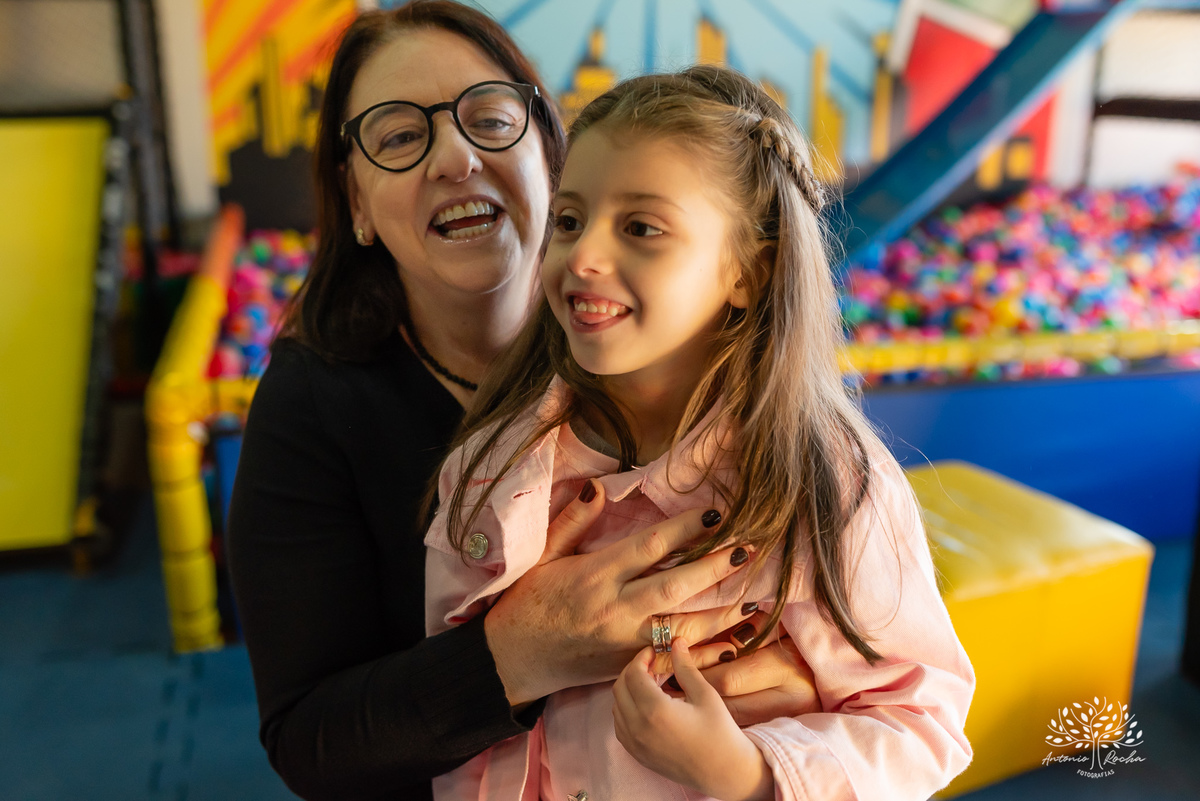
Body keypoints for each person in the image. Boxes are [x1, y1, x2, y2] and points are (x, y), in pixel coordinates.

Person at [227, 4, 818, 800]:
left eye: (492, 119)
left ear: (550, 154)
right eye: (400, 137)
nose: (456, 158)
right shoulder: (317, 405)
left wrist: (777, 751)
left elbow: (889, 694)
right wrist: (520, 651)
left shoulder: (689, 357)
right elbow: (310, 738)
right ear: (357, 201)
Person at [425, 65, 976, 801]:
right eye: (568, 219)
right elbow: (456, 718)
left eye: (642, 227)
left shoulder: (825, 483)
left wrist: (746, 773)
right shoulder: (492, 470)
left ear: (749, 271)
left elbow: (921, 717)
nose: (584, 256)